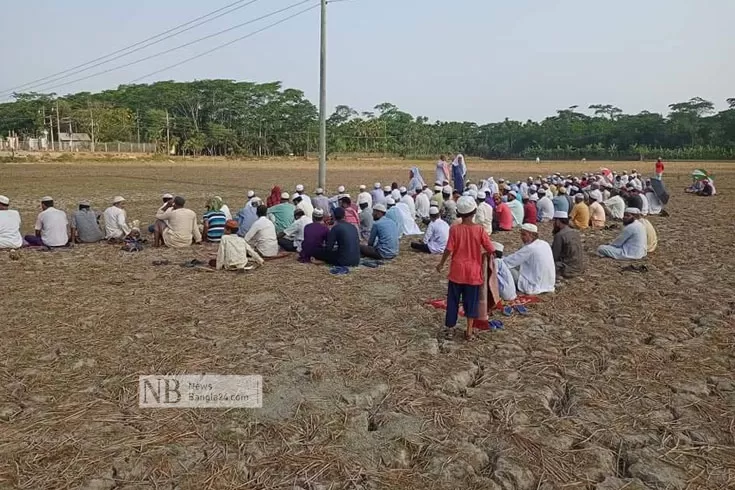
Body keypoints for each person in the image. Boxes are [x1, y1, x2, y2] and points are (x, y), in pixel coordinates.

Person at [436, 196, 495, 341]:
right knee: (471, 302)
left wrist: (441, 263)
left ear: (459, 213)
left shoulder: (455, 230)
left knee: (453, 301)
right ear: (474, 212)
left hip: (457, 271)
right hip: (473, 273)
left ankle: (450, 329)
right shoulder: (480, 230)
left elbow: (449, 249)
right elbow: (490, 249)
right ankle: (468, 331)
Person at [503, 223, 556, 294]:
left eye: (524, 235)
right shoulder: (545, 244)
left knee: (504, 268)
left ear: (531, 235)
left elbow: (507, 262)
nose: (521, 237)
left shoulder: (530, 248)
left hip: (532, 286)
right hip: (548, 284)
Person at [551, 211, 585, 278]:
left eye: (555, 221)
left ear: (558, 221)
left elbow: (555, 256)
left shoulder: (560, 235)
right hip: (579, 267)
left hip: (568, 268)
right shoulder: (575, 232)